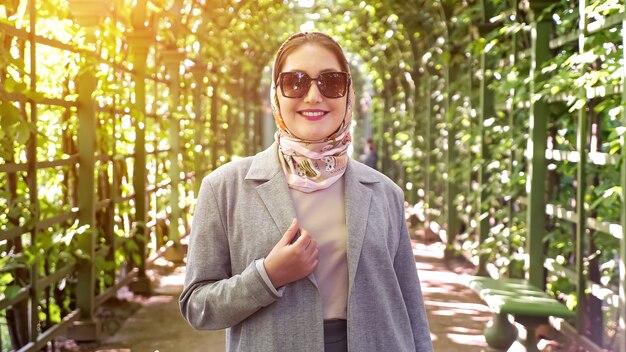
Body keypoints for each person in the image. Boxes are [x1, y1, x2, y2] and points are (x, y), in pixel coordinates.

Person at [179, 31, 433, 352]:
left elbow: (411, 308)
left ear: (348, 93)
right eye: (295, 82)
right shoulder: (224, 188)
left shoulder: (385, 193)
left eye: (331, 82)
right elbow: (196, 306)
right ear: (276, 95)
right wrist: (267, 276)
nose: (313, 96)